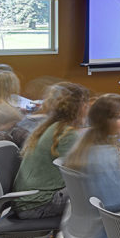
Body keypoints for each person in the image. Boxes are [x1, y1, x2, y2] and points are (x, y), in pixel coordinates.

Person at [12, 83, 90, 219]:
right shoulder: (66, 133)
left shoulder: (50, 127)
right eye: (85, 103)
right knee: (99, 190)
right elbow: (86, 169)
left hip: (29, 199)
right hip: (39, 204)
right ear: (79, 107)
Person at [64, 94, 120, 213]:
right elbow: (118, 202)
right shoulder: (106, 156)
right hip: (110, 225)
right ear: (105, 121)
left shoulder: (85, 142)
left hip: (83, 222)